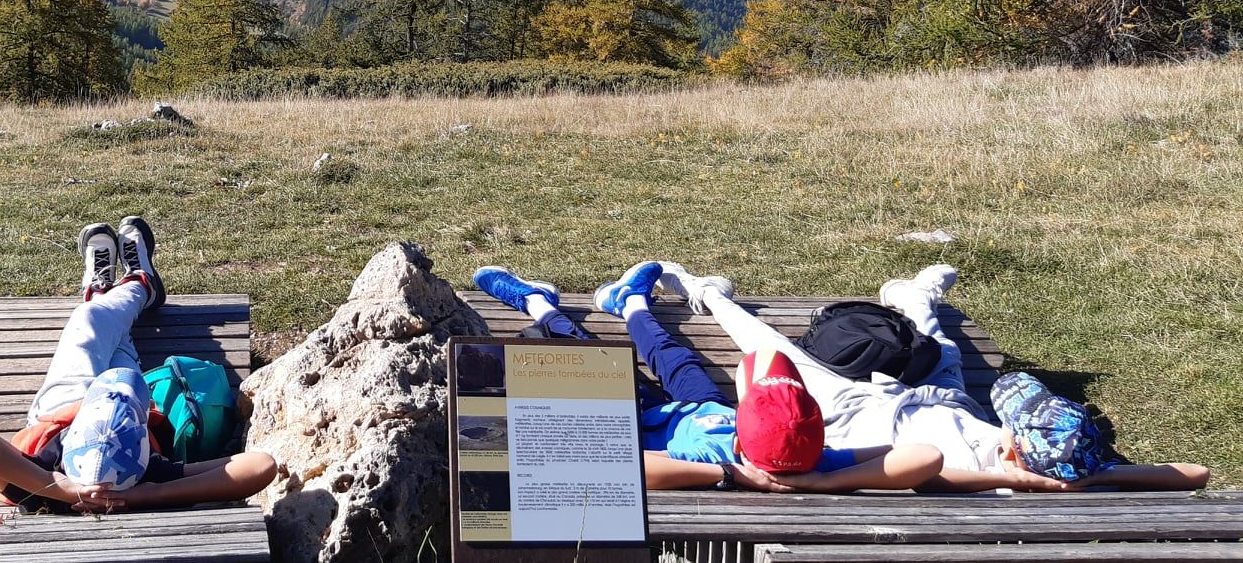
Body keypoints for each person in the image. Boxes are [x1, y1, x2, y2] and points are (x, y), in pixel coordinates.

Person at [658, 260, 1211, 492]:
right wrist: (1092, 477)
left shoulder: (983, 477)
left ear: (1015, 451)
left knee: (769, 349)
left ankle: (707, 294)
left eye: (1014, 430)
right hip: (942, 402)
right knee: (938, 347)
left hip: (857, 415)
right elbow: (1195, 473)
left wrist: (1016, 481)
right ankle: (913, 295)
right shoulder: (1068, 463)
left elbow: (928, 472)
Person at [472, 261, 943, 493]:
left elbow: (621, 466)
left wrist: (728, 473)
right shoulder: (812, 461)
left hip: (639, 416)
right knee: (672, 356)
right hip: (701, 406)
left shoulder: (708, 457)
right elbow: (926, 456)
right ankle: (629, 302)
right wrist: (821, 483)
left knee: (587, 354)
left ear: (742, 437)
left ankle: (537, 302)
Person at [0, 216, 277, 514]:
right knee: (115, 337)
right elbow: (261, 465)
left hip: (61, 406)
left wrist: (55, 486)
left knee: (88, 319)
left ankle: (114, 290)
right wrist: (150, 494)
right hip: (110, 407)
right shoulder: (146, 477)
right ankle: (136, 285)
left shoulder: (37, 482)